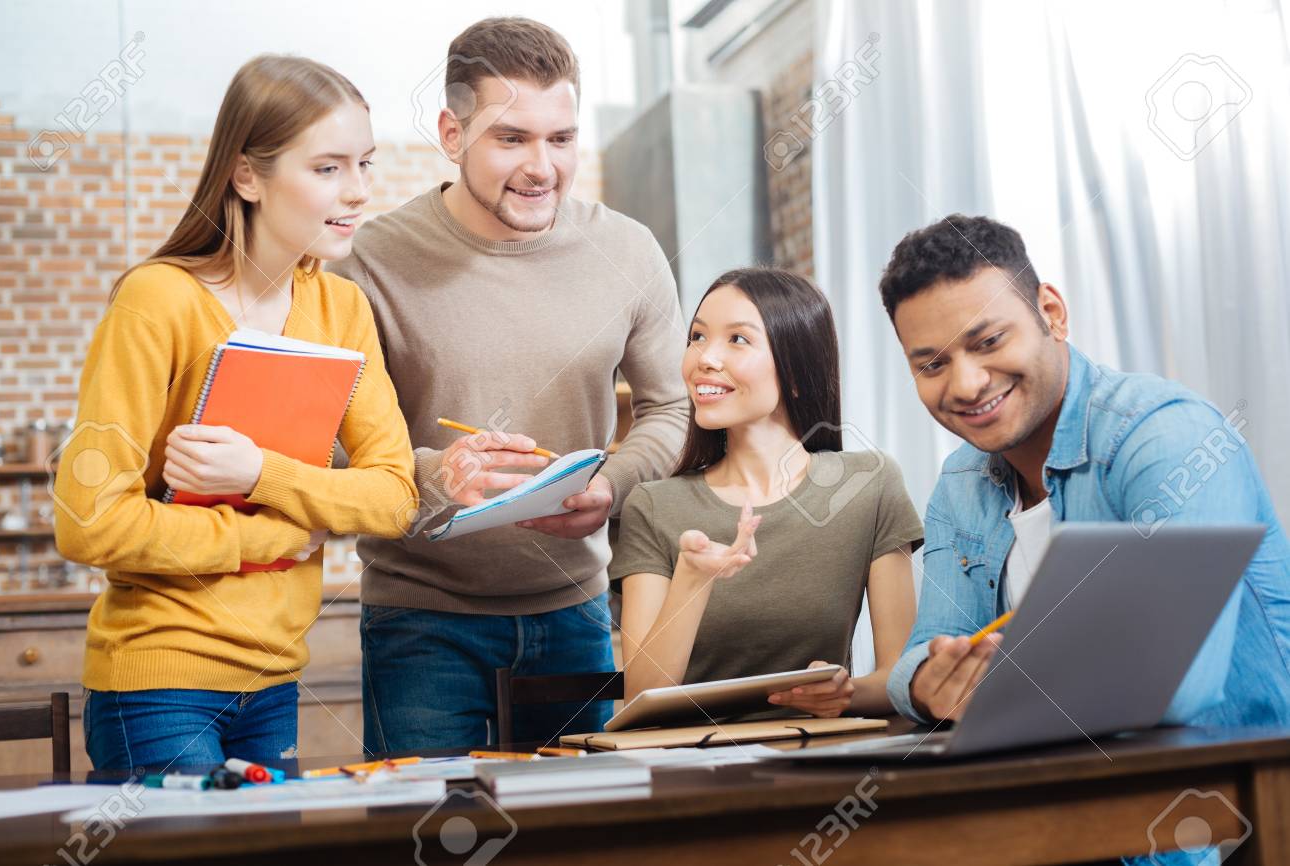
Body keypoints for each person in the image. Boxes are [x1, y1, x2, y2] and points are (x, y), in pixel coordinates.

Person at [327, 17, 688, 751]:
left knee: (579, 844)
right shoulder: (370, 261)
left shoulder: (627, 249)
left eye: (560, 139)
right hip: (419, 619)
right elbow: (324, 447)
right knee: (428, 838)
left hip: (575, 611)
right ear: (452, 135)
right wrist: (435, 475)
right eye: (511, 138)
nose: (542, 167)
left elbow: (671, 408)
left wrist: (612, 485)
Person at [53, 55, 418, 771]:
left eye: (365, 165)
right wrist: (273, 538)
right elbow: (89, 518)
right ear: (247, 176)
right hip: (159, 683)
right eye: (328, 169)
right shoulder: (157, 301)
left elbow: (394, 494)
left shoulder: (340, 308)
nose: (358, 192)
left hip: (276, 682)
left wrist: (260, 472)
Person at [879, 213, 1290, 735]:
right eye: (933, 364)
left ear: (1050, 313)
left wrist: (1000, 683)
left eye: (988, 342)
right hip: (1058, 781)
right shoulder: (961, 481)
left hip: (1235, 787)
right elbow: (922, 654)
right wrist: (928, 683)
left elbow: (1175, 682)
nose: (966, 384)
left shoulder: (1169, 438)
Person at [610, 267, 922, 719]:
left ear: (796, 371)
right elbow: (640, 700)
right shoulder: (655, 505)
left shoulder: (870, 485)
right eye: (697, 337)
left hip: (821, 762)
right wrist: (693, 581)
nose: (704, 359)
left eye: (737, 339)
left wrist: (845, 694)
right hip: (694, 770)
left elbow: (899, 677)